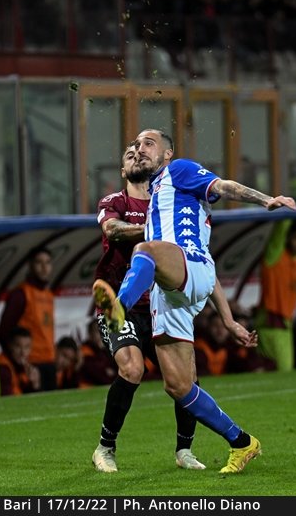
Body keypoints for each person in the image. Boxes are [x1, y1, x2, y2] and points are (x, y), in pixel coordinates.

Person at [93, 128, 296, 474]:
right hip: (171, 293)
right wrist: (230, 321)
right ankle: (242, 442)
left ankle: (119, 308)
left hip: (188, 268)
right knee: (179, 386)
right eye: (136, 145)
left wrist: (266, 200)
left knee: (146, 251)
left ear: (168, 154)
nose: (141, 149)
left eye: (149, 144)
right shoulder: (154, 197)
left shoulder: (180, 171)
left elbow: (223, 186)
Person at [90, 143, 205, 473]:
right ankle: (105, 448)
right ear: (123, 171)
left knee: (187, 379)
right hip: (118, 303)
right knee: (132, 369)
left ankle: (184, 450)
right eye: (128, 155)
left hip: (162, 304)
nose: (136, 155)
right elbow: (112, 231)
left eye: (141, 151)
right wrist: (157, 229)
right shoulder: (115, 203)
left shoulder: (168, 201)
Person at [0, 246, 56, 392]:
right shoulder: (20, 294)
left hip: (49, 361)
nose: (44, 267)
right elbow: (4, 330)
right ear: (30, 265)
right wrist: (17, 364)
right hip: (32, 363)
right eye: (39, 263)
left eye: (47, 262)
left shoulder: (49, 294)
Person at [256, 219, 296, 372]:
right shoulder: (275, 256)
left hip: (286, 326)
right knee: (283, 371)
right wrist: (288, 205)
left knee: (282, 371)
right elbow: (280, 228)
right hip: (270, 323)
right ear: (288, 238)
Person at [0, 326, 41, 396]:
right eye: (18, 346)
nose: (23, 352)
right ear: (10, 346)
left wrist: (35, 384)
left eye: (26, 347)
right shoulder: (3, 367)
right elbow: (7, 400)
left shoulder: (26, 367)